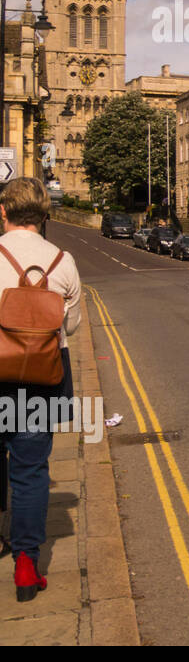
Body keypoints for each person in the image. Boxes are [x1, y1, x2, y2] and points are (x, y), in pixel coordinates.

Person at [0, 178, 81, 602]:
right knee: (30, 471)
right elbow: (71, 325)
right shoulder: (62, 261)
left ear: (3, 212)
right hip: (39, 380)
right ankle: (27, 564)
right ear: (45, 215)